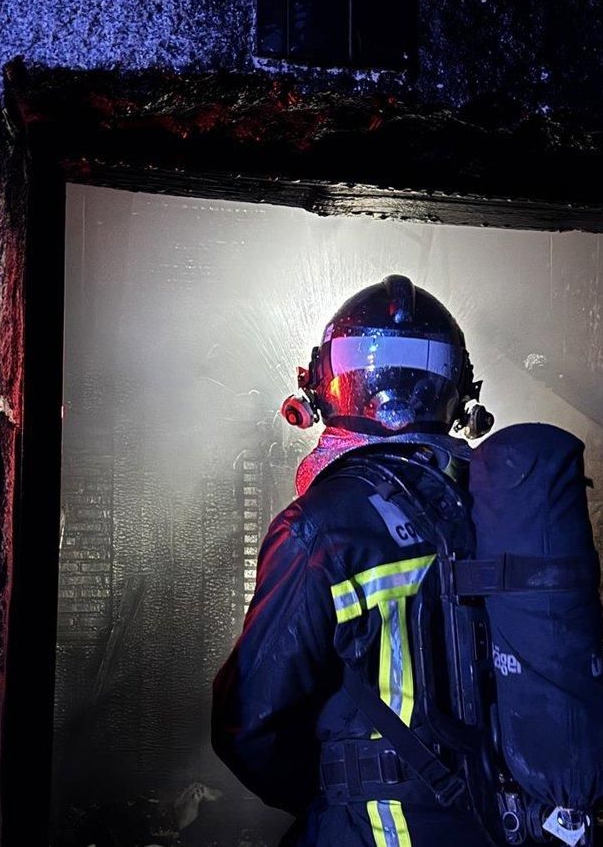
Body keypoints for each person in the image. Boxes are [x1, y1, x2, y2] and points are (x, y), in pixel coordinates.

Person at [212, 275, 500, 847]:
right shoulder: (502, 505)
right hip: (506, 824)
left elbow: (250, 725)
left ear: (323, 388)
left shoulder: (321, 526)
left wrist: (344, 786)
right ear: (460, 393)